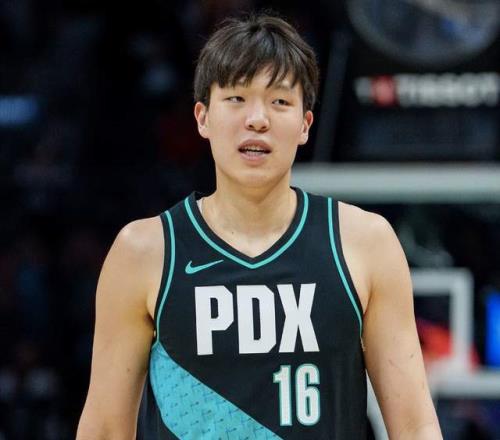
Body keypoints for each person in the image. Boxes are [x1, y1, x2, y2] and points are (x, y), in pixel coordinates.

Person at [76, 12, 442, 440]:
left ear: (305, 124)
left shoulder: (365, 242)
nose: (257, 119)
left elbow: (415, 425)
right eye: (236, 98)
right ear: (202, 117)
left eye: (280, 101)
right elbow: (104, 428)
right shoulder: (143, 251)